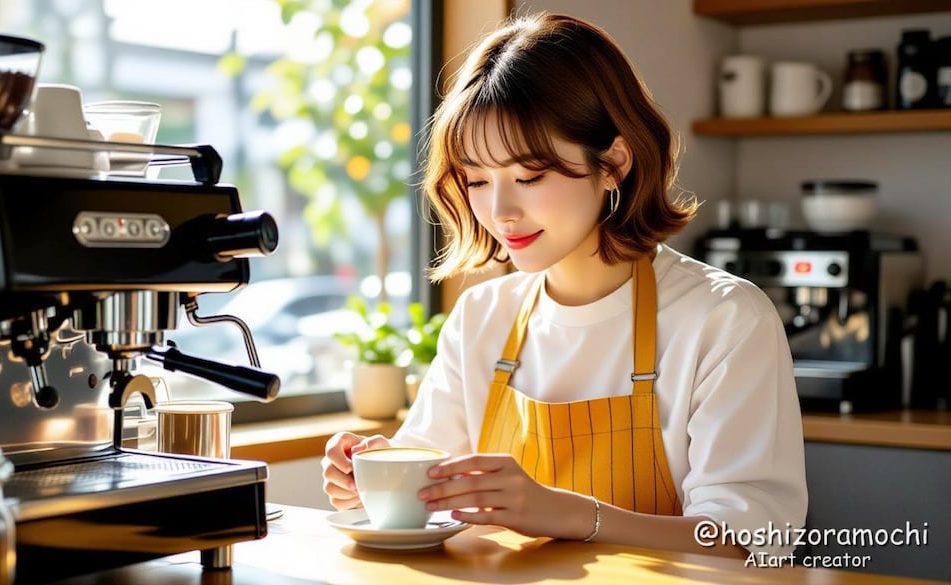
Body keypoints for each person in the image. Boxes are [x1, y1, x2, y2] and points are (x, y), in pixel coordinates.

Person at [321, 11, 806, 558]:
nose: (500, 212)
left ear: (613, 163)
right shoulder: (483, 315)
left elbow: (752, 542)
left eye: (529, 176)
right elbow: (431, 488)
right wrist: (368, 473)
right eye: (477, 180)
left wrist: (572, 515)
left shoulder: (724, 319)